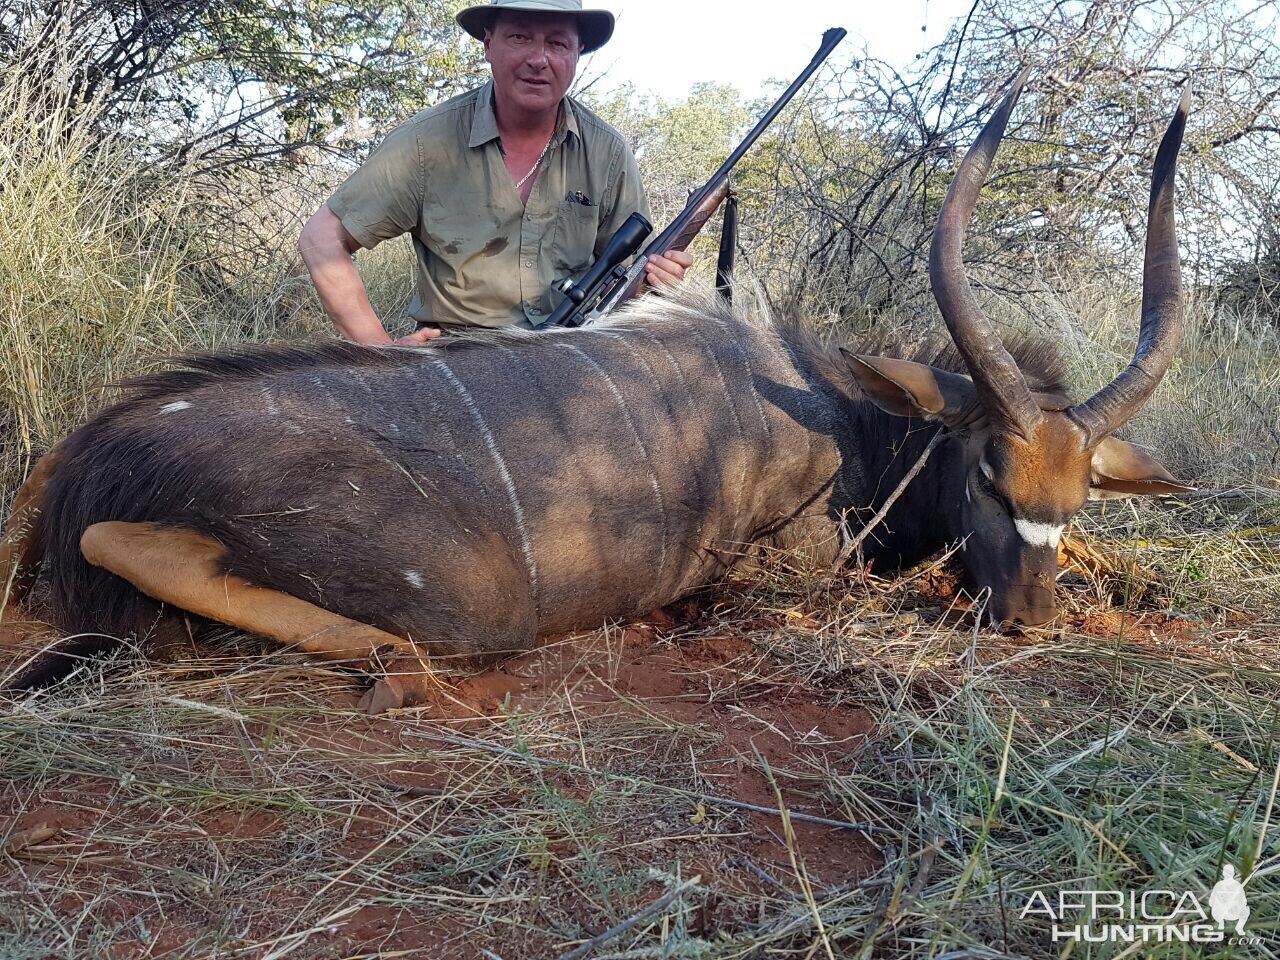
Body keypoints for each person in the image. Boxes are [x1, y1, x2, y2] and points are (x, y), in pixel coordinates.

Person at [298, 0, 692, 345]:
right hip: (460, 364)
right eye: (520, 37)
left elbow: (629, 279)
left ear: (577, 53)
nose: (539, 59)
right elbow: (321, 239)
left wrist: (658, 280)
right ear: (489, 45)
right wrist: (380, 353)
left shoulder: (608, 152)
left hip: (571, 362)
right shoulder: (426, 142)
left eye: (557, 43)